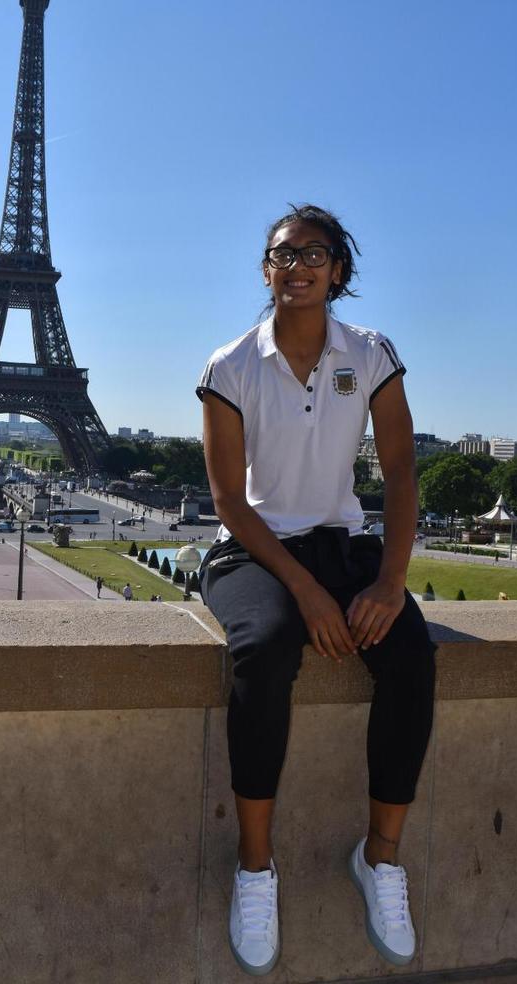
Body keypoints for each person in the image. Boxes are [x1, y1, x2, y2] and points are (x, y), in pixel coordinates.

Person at [196, 204, 437, 975]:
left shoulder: (369, 353)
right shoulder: (229, 366)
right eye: (281, 253)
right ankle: (255, 869)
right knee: (263, 653)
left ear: (339, 270)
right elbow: (231, 505)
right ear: (264, 269)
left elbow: (399, 472)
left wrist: (390, 583)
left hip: (342, 547)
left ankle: (381, 858)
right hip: (253, 553)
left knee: (409, 652)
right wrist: (304, 593)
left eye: (314, 253)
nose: (296, 264)